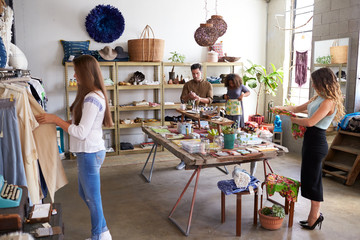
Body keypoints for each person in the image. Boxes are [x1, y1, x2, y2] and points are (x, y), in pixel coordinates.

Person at [36, 55, 113, 240]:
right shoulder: (91, 96)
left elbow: (80, 132)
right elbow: (80, 122)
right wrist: (57, 122)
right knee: (85, 194)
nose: (74, 74)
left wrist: (56, 120)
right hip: (89, 151)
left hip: (90, 152)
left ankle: (99, 236)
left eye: (77, 71)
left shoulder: (92, 98)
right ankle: (103, 232)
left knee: (93, 198)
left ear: (85, 73)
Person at [273, 67, 345, 230]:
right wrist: (281, 108)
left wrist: (293, 119)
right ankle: (314, 216)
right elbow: (297, 108)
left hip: (317, 143)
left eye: (314, 82)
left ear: (323, 82)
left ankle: (315, 216)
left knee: (314, 181)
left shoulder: (329, 102)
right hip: (310, 142)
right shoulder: (318, 97)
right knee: (309, 178)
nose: (313, 85)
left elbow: (310, 122)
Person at [176, 63, 214, 170]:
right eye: (193, 74)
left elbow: (210, 100)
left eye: (197, 73)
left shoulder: (208, 85)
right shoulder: (187, 84)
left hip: (203, 116)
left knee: (202, 139)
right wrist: (189, 96)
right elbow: (182, 99)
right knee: (186, 138)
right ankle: (183, 161)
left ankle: (200, 161)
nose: (195, 76)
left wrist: (199, 98)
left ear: (201, 72)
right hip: (189, 114)